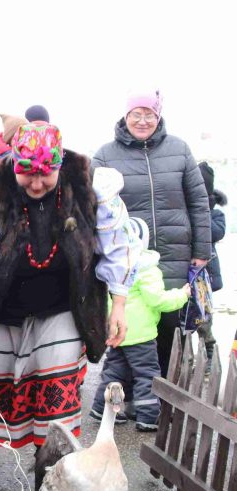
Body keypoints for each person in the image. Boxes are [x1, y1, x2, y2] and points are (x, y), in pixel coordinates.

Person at [0, 123, 136, 469]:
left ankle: (49, 466)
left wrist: (119, 304)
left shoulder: (88, 183)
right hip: (1, 305)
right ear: (14, 163)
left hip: (63, 304)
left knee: (56, 385)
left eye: (45, 175)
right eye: (27, 174)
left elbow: (119, 245)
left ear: (59, 163)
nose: (36, 184)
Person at [92, 89, 210, 377]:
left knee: (169, 323)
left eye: (149, 115)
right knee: (128, 325)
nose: (143, 121)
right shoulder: (105, 155)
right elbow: (90, 206)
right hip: (126, 258)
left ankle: (161, 396)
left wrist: (202, 252)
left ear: (158, 117)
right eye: (137, 114)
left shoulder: (179, 149)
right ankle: (128, 397)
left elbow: (198, 201)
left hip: (173, 253)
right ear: (126, 115)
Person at [89, 217, 190, 431]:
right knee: (146, 375)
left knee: (114, 371)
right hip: (141, 336)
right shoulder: (147, 268)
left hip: (117, 331)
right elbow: (158, 300)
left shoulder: (111, 267)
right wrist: (182, 295)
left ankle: (100, 407)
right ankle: (148, 416)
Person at [196, 161, 227, 373]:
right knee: (183, 317)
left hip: (204, 278)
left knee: (204, 319)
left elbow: (216, 233)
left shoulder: (215, 215)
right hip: (184, 274)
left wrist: (202, 210)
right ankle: (180, 359)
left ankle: (208, 359)